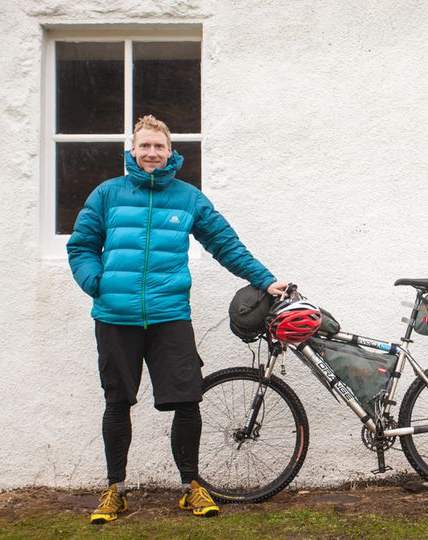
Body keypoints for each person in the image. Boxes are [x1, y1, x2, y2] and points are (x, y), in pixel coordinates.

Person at [67, 115, 286, 524]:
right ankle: (115, 489)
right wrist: (97, 283)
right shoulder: (107, 194)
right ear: (132, 150)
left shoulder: (188, 199)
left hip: (170, 316)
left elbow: (226, 244)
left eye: (159, 147)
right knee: (117, 402)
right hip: (116, 317)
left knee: (188, 401)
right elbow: (80, 247)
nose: (152, 153)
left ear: (171, 152)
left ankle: (191, 487)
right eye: (144, 146)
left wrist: (266, 280)